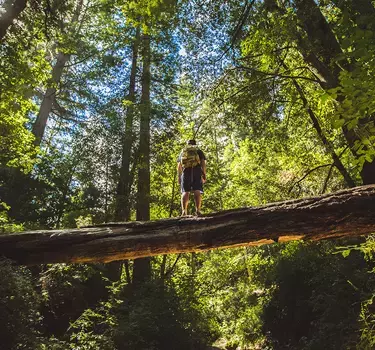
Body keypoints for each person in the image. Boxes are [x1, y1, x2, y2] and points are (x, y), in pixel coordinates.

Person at [177, 139, 206, 216]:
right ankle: (198, 210)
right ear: (195, 144)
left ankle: (184, 211)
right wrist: (204, 173)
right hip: (196, 171)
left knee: (185, 191)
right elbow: (203, 162)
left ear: (187, 144)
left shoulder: (183, 152)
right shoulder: (198, 151)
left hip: (185, 172)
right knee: (197, 190)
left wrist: (179, 176)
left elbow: (179, 165)